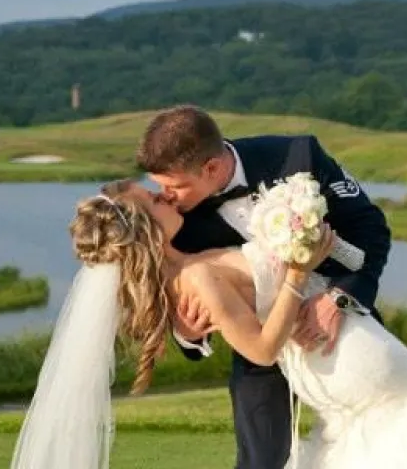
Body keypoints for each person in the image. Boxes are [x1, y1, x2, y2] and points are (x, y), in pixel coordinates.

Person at [10, 178, 407, 468]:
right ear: (144, 226)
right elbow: (259, 349)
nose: (162, 194)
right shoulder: (197, 276)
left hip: (344, 365)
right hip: (353, 370)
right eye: (152, 199)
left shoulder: (187, 267)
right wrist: (299, 272)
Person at [137, 105, 392, 469]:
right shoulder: (175, 221)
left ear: (210, 168)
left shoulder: (298, 157)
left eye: (174, 186)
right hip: (259, 346)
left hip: (337, 320)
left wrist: (340, 299)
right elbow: (180, 288)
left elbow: (371, 232)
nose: (165, 196)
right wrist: (188, 334)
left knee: (378, 436)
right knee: (260, 461)